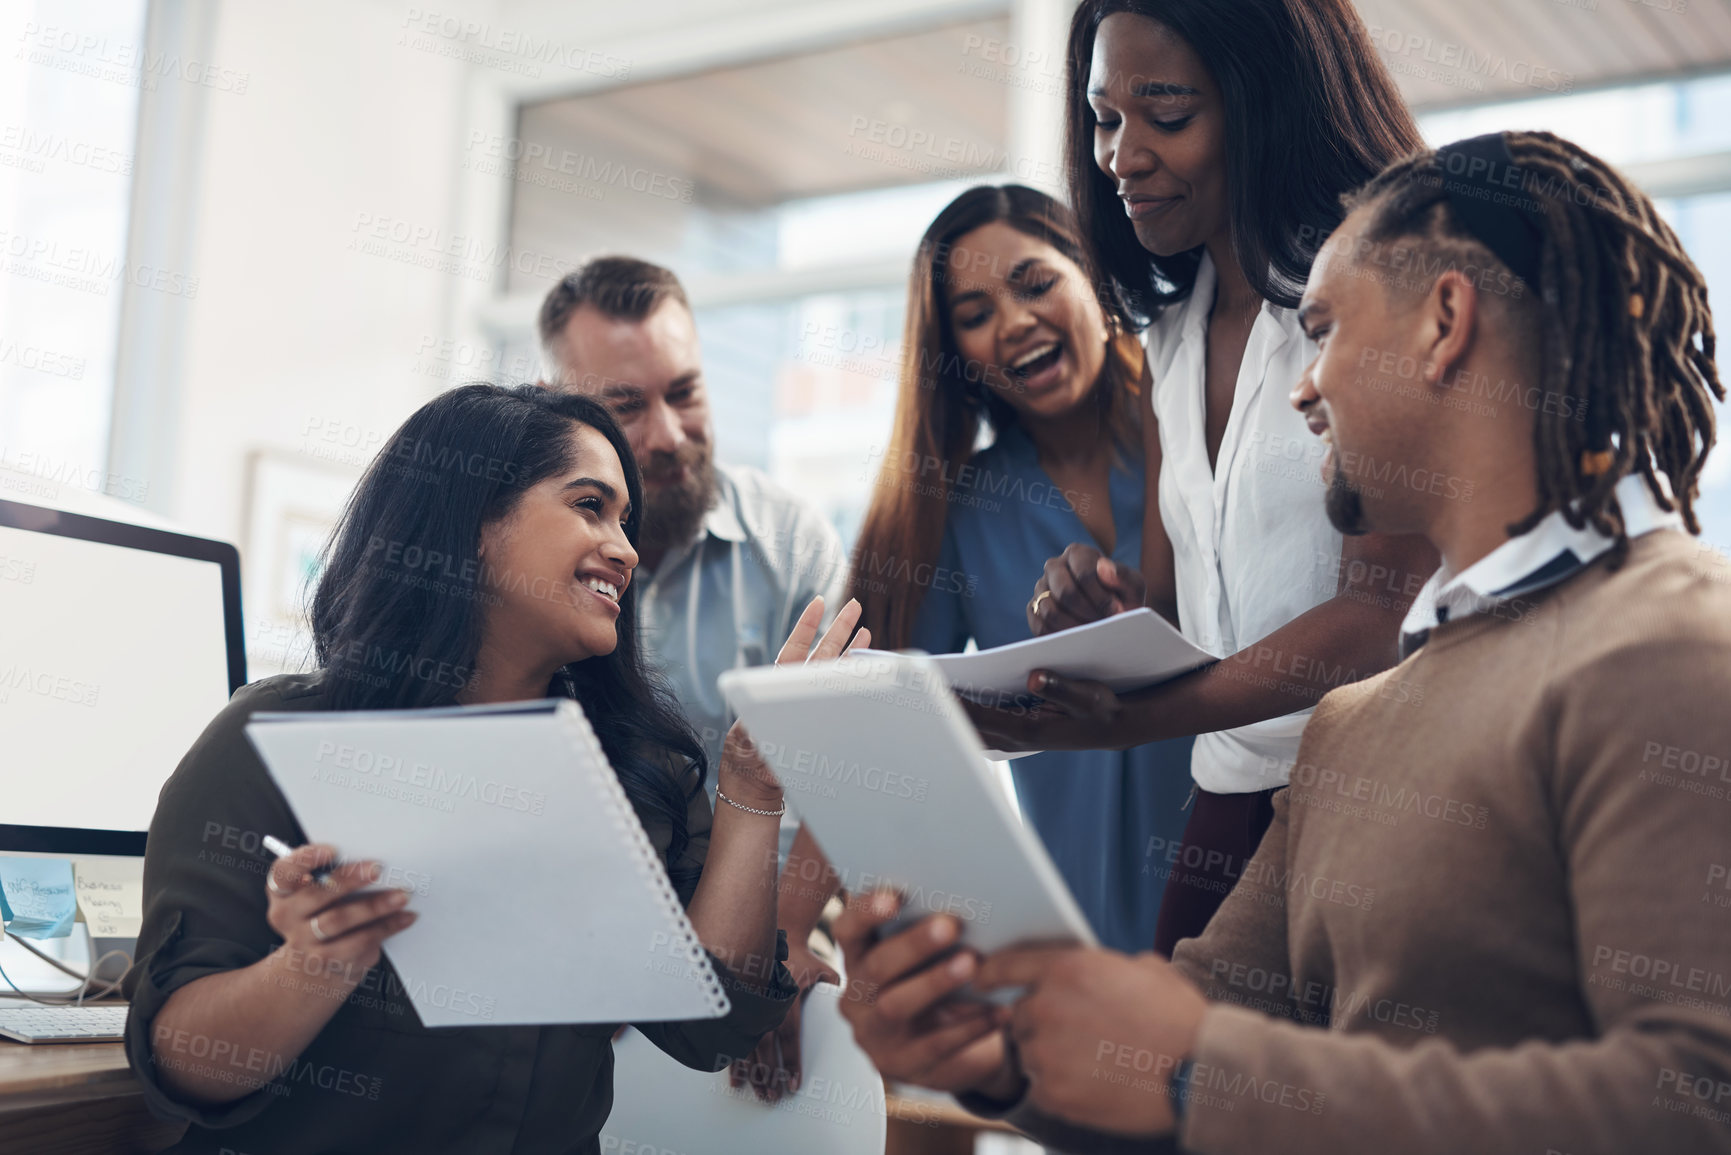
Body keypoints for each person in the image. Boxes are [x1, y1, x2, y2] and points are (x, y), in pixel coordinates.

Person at [834, 130, 1731, 1154]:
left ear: (1445, 324)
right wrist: (993, 1048)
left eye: (1326, 331)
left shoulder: (1671, 651)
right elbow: (1202, 1016)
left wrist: (1198, 1078)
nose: (1304, 388)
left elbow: (1694, 1102)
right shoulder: (1350, 726)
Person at [122, 385, 864, 1153]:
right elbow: (180, 1067)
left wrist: (751, 788)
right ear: (474, 522)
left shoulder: (638, 771)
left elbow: (712, 1024)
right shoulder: (274, 736)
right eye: (589, 505)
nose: (627, 548)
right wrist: (313, 964)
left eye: (625, 520)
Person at [965, 0, 1438, 955]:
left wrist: (1134, 719)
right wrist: (1090, 617)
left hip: (1372, 795)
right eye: (1104, 119)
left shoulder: (1367, 294)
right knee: (1187, 1092)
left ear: (1262, 108)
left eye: (1166, 116)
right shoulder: (1167, 342)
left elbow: (1379, 611)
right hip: (1223, 799)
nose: (1120, 156)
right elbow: (1169, 614)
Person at [838, 183, 1195, 955]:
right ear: (955, 356)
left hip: (1244, 890)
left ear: (1094, 281)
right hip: (1073, 943)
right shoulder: (961, 510)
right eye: (974, 315)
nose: (1013, 323)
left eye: (1035, 284)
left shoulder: (1198, 430)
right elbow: (886, 719)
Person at [539, 258, 852, 1098]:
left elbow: (843, 764)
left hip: (769, 920)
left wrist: (776, 946)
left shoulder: (793, 544)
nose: (668, 434)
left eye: (685, 392)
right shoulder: (534, 564)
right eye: (627, 406)